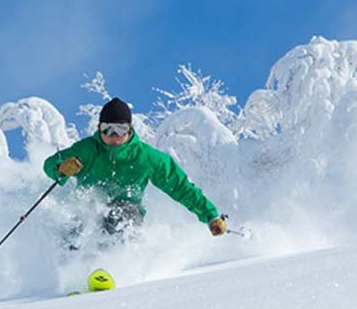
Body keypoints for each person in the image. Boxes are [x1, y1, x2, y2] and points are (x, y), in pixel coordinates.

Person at [43, 97, 227, 241]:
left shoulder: (146, 157)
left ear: (130, 130)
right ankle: (71, 274)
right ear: (99, 129)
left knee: (119, 215)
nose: (114, 135)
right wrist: (60, 168)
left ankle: (114, 266)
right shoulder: (87, 150)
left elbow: (181, 187)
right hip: (88, 211)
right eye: (108, 129)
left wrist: (210, 215)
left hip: (126, 215)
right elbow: (49, 164)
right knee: (77, 222)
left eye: (120, 129)